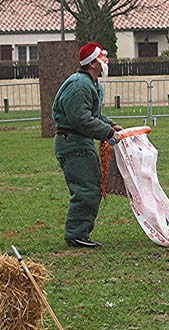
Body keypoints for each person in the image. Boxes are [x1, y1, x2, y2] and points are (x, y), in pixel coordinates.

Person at [52, 42, 123, 248]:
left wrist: (110, 125)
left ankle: (79, 232)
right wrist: (107, 132)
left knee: (91, 186)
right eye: (102, 58)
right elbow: (80, 119)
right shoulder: (79, 85)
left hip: (80, 141)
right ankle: (76, 234)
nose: (106, 61)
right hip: (72, 143)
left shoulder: (90, 84)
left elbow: (94, 115)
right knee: (86, 189)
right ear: (92, 63)